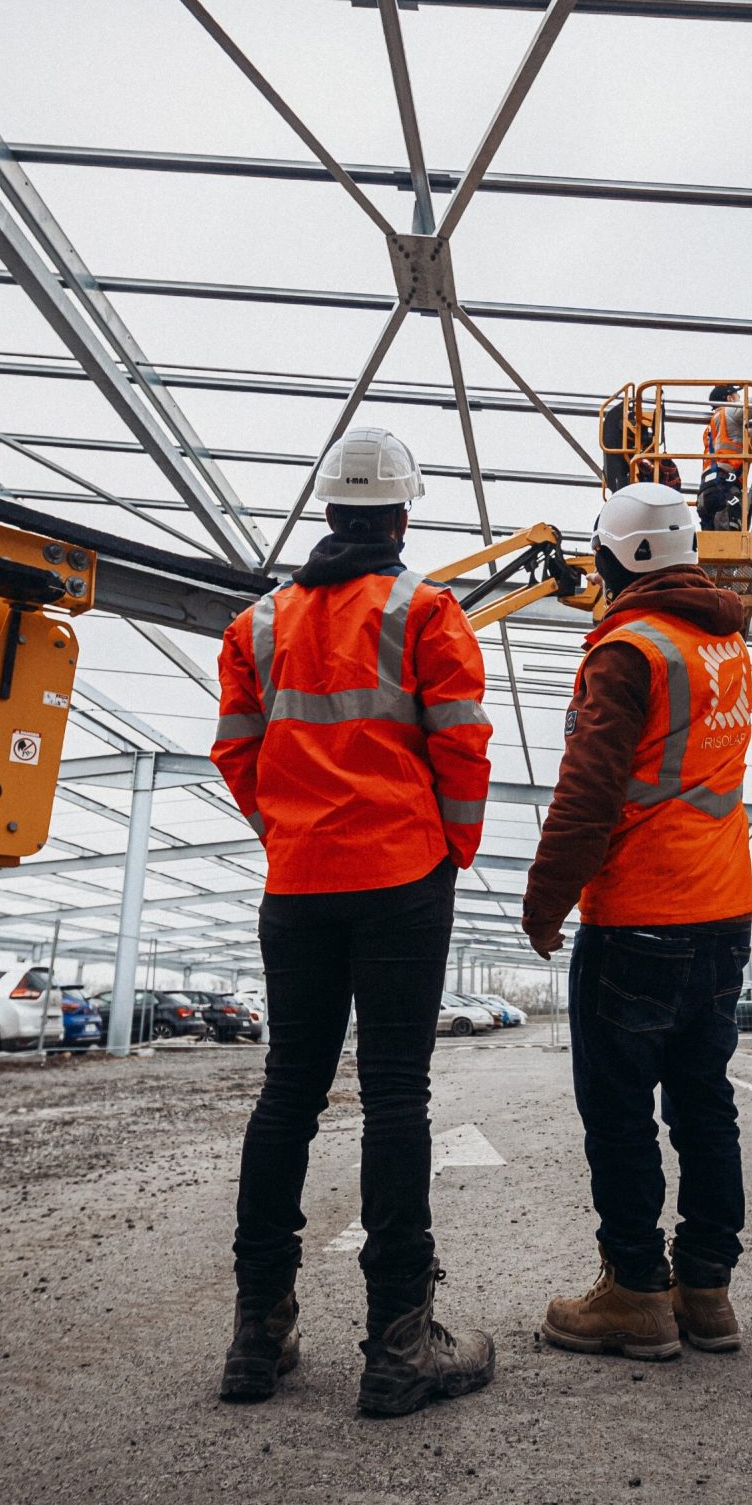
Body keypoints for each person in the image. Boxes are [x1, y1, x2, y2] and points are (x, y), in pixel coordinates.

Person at [210, 426, 497, 1418]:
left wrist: (288, 834)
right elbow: (461, 749)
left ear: (325, 510)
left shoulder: (253, 627)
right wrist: (447, 851)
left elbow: (235, 757)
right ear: (403, 512)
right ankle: (399, 1344)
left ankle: (259, 1333)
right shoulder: (427, 611)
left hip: (298, 886)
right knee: (394, 1098)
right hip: (400, 880)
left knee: (286, 1094)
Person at [521, 482, 752, 1361]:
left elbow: (588, 794)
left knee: (619, 1109)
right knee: (705, 1104)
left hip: (640, 917)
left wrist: (546, 901)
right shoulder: (727, 643)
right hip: (723, 911)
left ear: (616, 560)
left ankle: (635, 1292)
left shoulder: (628, 651)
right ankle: (708, 1291)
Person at [697, 383, 748, 532]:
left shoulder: (712, 427)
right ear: (730, 399)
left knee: (710, 548)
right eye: (738, 397)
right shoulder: (730, 411)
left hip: (706, 492)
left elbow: (751, 433)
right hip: (726, 489)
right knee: (730, 543)